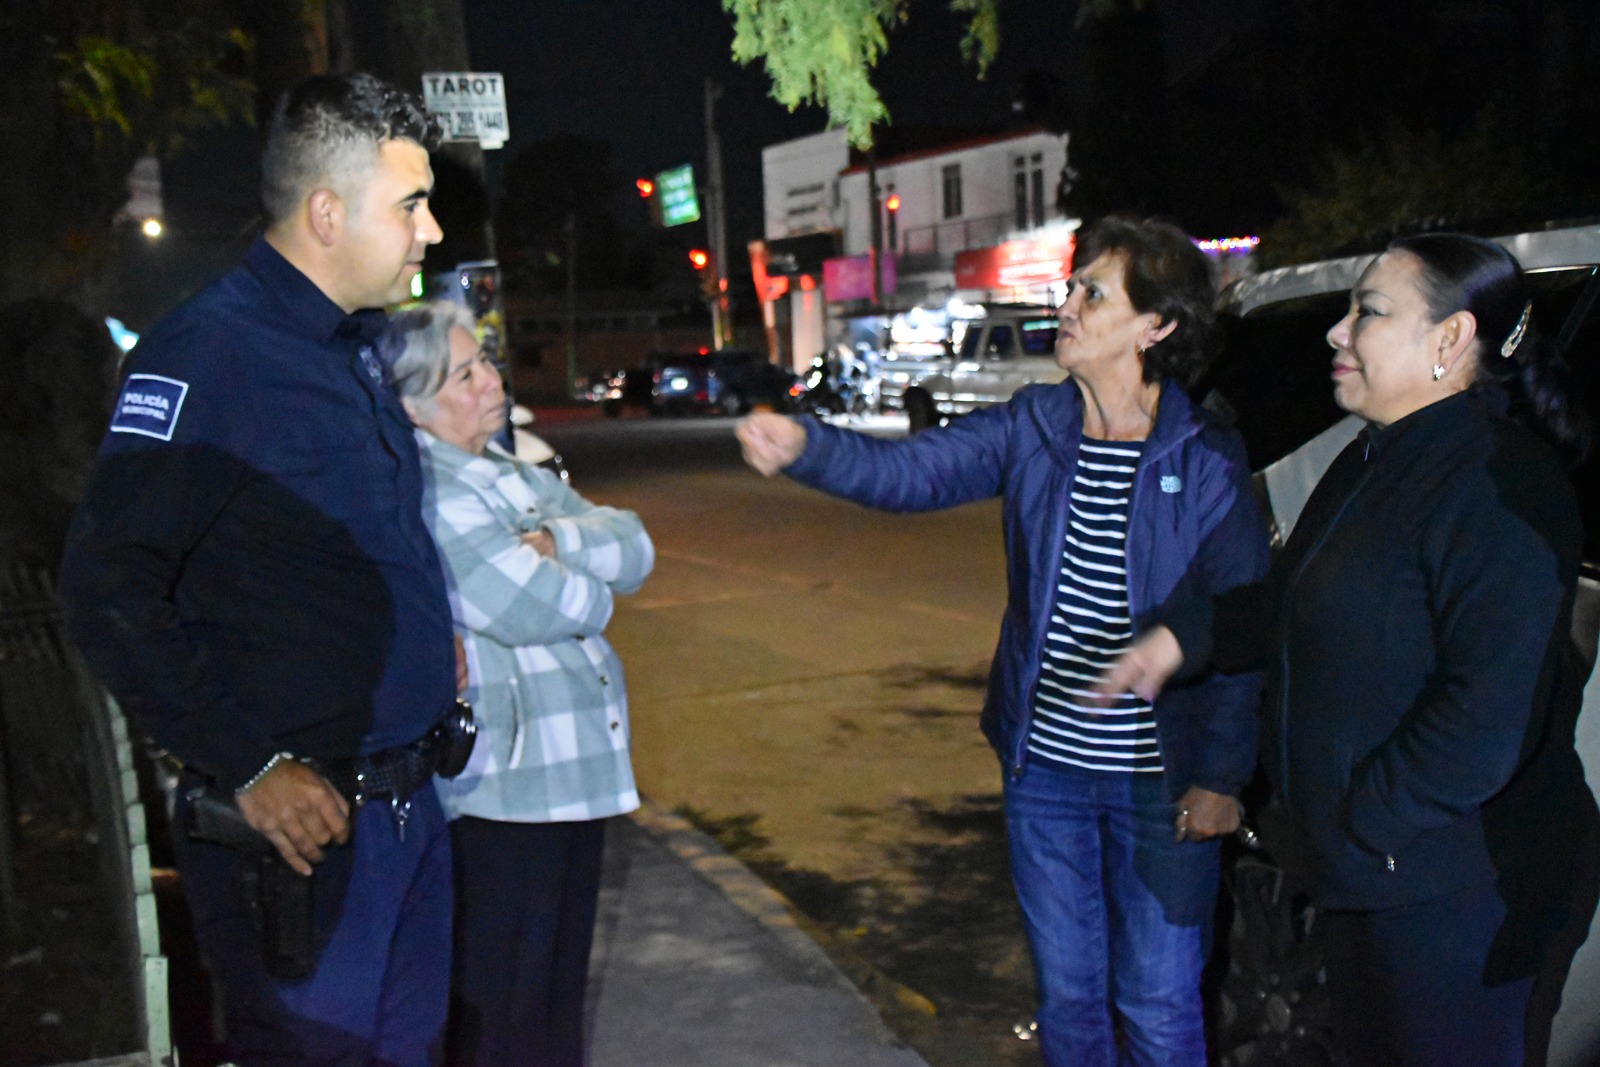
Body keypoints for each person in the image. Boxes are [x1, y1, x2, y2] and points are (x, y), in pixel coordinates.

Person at [738, 217, 1268, 1066]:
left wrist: (1221, 778)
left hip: (1160, 785)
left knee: (1159, 1003)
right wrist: (809, 447)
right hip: (1046, 772)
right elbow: (913, 472)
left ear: (1156, 325)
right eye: (1072, 287)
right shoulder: (1035, 426)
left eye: (1093, 293)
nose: (1068, 306)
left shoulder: (1205, 456)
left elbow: (1243, 623)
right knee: (1069, 1000)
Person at [1100, 232, 1599, 1066]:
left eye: (1368, 312)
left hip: (1458, 893)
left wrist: (1358, 820)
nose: (1337, 331)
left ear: (1450, 339)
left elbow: (1484, 718)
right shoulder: (1374, 456)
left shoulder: (1502, 488)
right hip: (1371, 875)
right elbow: (1294, 603)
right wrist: (1179, 638)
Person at [58, 74, 460, 1065]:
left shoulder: (351, 349)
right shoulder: (209, 354)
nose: (433, 230)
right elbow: (107, 586)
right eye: (411, 204)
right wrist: (243, 760)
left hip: (407, 813)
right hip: (303, 841)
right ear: (327, 212)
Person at [375, 301, 654, 1067]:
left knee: (556, 996)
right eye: (463, 375)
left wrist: (557, 538)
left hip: (575, 776)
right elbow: (533, 604)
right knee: (504, 1002)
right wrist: (591, 589)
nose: (491, 382)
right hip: (506, 788)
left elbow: (635, 545)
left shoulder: (507, 472)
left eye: (485, 364)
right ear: (412, 407)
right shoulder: (430, 490)